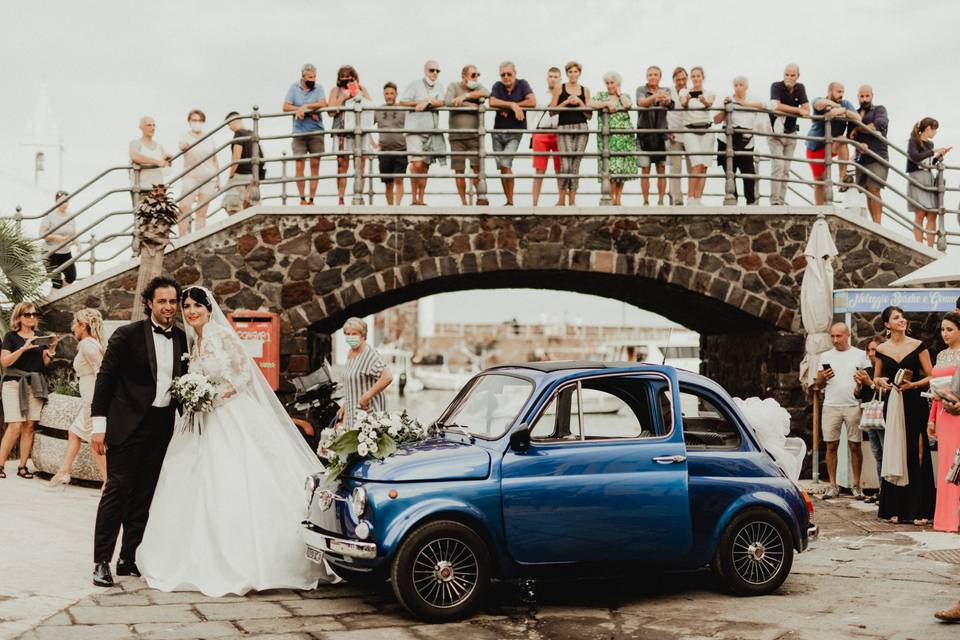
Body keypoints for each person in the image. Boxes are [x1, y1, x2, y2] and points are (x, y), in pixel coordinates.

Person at [136, 286, 331, 595]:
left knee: (235, 481)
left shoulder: (222, 336)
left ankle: (252, 560)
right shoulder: (194, 342)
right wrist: (194, 395)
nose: (191, 311)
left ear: (209, 309)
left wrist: (211, 397)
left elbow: (243, 377)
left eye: (196, 306)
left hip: (229, 416)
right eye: (186, 306)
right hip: (200, 421)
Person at [89, 277, 188, 587]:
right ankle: (101, 561)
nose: (169, 307)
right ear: (149, 303)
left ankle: (128, 557)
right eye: (163, 301)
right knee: (117, 491)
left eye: (173, 302)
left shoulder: (183, 339)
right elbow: (104, 381)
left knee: (145, 494)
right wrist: (98, 427)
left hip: (162, 426)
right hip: (126, 424)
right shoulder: (126, 335)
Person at [873, 305, 936, 526]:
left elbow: (931, 376)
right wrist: (880, 382)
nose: (902, 320)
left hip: (915, 402)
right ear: (887, 325)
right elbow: (876, 379)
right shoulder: (881, 349)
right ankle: (896, 508)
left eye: (903, 317)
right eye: (896, 318)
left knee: (917, 452)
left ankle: (920, 509)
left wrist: (914, 385)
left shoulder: (918, 346)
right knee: (895, 451)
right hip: (893, 403)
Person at [47, 309, 107, 486]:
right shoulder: (91, 343)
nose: (72, 327)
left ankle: (108, 483)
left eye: (75, 323)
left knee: (95, 443)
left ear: (83, 325)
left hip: (92, 400)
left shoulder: (88, 345)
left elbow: (101, 373)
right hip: (89, 398)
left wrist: (98, 403)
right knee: (74, 432)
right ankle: (64, 471)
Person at [0, 302, 57, 479]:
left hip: (35, 384)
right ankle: (0, 464)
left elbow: (44, 364)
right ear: (18, 317)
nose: (32, 317)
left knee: (29, 425)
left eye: (34, 314)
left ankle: (22, 466)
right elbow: (5, 362)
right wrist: (24, 348)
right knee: (15, 425)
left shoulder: (40, 336)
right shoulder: (11, 337)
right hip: (13, 384)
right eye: (27, 314)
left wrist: (52, 349)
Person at [815, 322, 871, 500]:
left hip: (853, 404)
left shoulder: (860, 355)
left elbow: (868, 379)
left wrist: (861, 381)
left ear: (848, 335)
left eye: (838, 336)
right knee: (831, 445)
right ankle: (833, 485)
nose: (835, 339)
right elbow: (818, 384)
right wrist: (822, 377)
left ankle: (856, 485)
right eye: (832, 336)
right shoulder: (825, 356)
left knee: (855, 445)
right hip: (831, 405)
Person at [927, 313, 960, 533]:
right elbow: (935, 387)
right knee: (945, 465)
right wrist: (931, 418)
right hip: (942, 413)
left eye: (949, 329)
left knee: (957, 463)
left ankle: (956, 517)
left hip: (957, 412)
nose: (945, 334)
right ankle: (944, 518)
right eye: (942, 330)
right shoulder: (940, 355)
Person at [488, 61, 535, 206]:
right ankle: (508, 200)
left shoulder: (522, 84)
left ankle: (511, 200)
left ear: (515, 73)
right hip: (497, 132)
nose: (506, 77)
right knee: (502, 167)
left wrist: (513, 106)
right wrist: (512, 105)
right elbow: (492, 101)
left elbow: (532, 101)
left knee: (505, 162)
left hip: (515, 131)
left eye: (509, 74)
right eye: (503, 74)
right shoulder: (497, 86)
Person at [805, 83, 861, 205]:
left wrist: (843, 110)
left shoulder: (845, 104)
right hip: (815, 148)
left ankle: (842, 179)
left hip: (831, 145)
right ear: (830, 92)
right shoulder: (819, 100)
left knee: (842, 139)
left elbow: (858, 117)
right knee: (820, 182)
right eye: (838, 92)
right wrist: (835, 107)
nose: (841, 95)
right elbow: (819, 105)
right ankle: (820, 209)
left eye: (843, 92)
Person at [714, 76, 766, 205]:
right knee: (730, 172)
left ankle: (751, 201)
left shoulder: (753, 100)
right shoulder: (728, 100)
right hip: (727, 140)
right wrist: (725, 108)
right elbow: (716, 120)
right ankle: (732, 198)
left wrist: (745, 104)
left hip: (746, 141)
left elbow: (764, 106)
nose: (738, 87)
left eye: (741, 85)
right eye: (736, 85)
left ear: (746, 87)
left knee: (749, 173)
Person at [400, 60, 445, 206]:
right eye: (432, 70)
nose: (435, 73)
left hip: (431, 131)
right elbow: (403, 102)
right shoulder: (415, 84)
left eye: (437, 71)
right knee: (417, 164)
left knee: (425, 166)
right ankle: (413, 198)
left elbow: (442, 102)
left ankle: (421, 199)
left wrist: (428, 102)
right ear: (425, 71)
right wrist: (419, 102)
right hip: (414, 130)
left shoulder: (439, 86)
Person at [589, 71, 637, 205]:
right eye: (607, 83)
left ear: (618, 83)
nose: (609, 85)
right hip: (608, 138)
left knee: (621, 170)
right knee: (610, 168)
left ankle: (618, 199)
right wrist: (606, 104)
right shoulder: (601, 96)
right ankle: (610, 198)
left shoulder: (624, 95)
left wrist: (619, 93)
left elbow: (628, 105)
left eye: (612, 83)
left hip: (624, 137)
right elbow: (590, 103)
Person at [328, 65, 374, 206]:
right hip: (341, 130)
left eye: (349, 77)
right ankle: (341, 198)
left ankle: (358, 196)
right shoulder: (335, 91)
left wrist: (359, 92)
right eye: (343, 78)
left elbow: (370, 107)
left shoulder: (362, 88)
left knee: (360, 164)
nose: (346, 80)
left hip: (359, 130)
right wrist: (343, 98)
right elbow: (330, 112)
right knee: (342, 166)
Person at [282, 63, 327, 206]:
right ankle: (302, 198)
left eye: (314, 77)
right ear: (302, 77)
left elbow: (323, 103)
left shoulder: (318, 88)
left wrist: (306, 108)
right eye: (310, 77)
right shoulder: (294, 88)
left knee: (315, 165)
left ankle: (312, 199)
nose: (312, 79)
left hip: (316, 131)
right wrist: (299, 109)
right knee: (299, 164)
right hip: (299, 132)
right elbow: (285, 106)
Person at [338, 317, 393, 429]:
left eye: (354, 334)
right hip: (351, 412)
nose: (350, 337)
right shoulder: (350, 353)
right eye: (347, 334)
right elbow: (353, 384)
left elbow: (387, 377)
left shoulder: (369, 354)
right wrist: (345, 405)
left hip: (367, 414)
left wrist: (367, 397)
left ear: (363, 335)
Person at [445, 64, 489, 205]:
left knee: (477, 169)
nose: (476, 77)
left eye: (477, 75)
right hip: (456, 137)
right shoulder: (453, 86)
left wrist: (466, 96)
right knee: (459, 171)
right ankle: (464, 202)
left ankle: (480, 198)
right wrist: (470, 105)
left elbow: (487, 93)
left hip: (474, 136)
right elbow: (448, 102)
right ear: (464, 76)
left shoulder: (477, 87)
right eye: (473, 75)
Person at [550, 61, 591, 206]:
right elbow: (552, 111)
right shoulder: (559, 88)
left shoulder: (585, 90)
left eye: (576, 71)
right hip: (564, 127)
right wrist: (566, 103)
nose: (573, 74)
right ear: (567, 73)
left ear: (579, 73)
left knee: (575, 166)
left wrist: (580, 102)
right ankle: (561, 198)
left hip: (581, 127)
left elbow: (589, 115)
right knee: (565, 165)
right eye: (570, 72)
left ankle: (572, 200)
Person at [768, 64, 810, 205]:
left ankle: (781, 200)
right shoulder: (776, 86)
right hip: (775, 133)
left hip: (791, 133)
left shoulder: (800, 88)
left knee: (786, 169)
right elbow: (776, 105)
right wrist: (797, 110)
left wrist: (799, 110)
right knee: (778, 166)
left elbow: (807, 109)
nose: (789, 78)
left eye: (792, 75)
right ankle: (774, 201)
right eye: (786, 74)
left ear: (798, 76)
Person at [907, 117, 952, 246]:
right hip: (917, 177)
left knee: (932, 214)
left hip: (928, 176)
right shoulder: (913, 141)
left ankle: (930, 248)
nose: (935, 133)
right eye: (934, 130)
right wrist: (933, 152)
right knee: (920, 213)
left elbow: (928, 162)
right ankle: (919, 246)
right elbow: (915, 157)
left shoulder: (930, 144)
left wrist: (937, 157)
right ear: (928, 129)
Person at [848, 86, 889, 224]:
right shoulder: (854, 112)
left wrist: (858, 128)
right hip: (861, 157)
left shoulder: (879, 109)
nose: (864, 99)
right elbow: (850, 136)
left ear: (872, 96)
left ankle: (878, 224)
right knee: (867, 191)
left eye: (867, 96)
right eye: (862, 96)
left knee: (874, 188)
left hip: (878, 155)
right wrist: (857, 144)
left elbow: (878, 124)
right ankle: (874, 224)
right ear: (858, 96)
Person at [177, 110, 220, 236]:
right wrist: (183, 146)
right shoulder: (185, 136)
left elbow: (214, 159)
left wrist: (218, 178)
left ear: (203, 122)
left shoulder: (209, 137)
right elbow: (181, 145)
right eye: (194, 120)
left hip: (208, 178)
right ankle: (182, 238)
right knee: (184, 207)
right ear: (189, 122)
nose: (197, 123)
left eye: (200, 120)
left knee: (202, 212)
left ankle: (198, 237)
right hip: (191, 177)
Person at [854, 336, 885, 504]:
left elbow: (885, 391)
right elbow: (858, 395)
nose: (872, 353)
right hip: (869, 416)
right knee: (877, 454)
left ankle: (887, 492)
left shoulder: (886, 369)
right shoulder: (867, 369)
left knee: (886, 453)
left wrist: (870, 382)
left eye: (875, 350)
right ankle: (882, 490)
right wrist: (859, 384)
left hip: (882, 416)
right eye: (869, 350)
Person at [679, 67, 715, 206]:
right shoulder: (684, 91)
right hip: (690, 130)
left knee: (704, 165)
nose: (696, 78)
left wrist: (704, 101)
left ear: (702, 77)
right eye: (693, 76)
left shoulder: (709, 92)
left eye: (698, 76)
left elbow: (709, 104)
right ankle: (690, 198)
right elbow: (682, 103)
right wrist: (688, 99)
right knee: (697, 163)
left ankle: (698, 198)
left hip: (706, 130)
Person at [635, 66, 672, 206]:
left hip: (661, 135)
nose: (652, 77)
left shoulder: (666, 90)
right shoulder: (640, 90)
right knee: (645, 169)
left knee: (661, 169)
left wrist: (665, 99)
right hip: (644, 134)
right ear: (646, 76)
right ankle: (645, 201)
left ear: (660, 77)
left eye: (655, 74)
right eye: (650, 74)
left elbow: (669, 103)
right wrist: (656, 96)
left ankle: (661, 201)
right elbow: (642, 103)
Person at [532, 67, 562, 206]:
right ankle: (534, 203)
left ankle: (561, 200)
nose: (553, 79)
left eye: (556, 77)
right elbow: (532, 114)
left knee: (560, 169)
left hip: (558, 133)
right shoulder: (540, 95)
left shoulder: (563, 94)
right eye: (551, 76)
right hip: (541, 132)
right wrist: (533, 131)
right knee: (539, 169)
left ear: (560, 79)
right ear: (547, 78)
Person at [222, 112, 262, 214]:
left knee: (232, 206)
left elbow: (236, 158)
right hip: (252, 175)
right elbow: (261, 156)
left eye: (229, 124)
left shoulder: (238, 134)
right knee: (251, 205)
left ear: (233, 121)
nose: (229, 127)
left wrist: (230, 176)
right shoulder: (252, 133)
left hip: (240, 175)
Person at [374, 82, 406, 206]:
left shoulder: (403, 110)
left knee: (399, 180)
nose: (389, 96)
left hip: (401, 149)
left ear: (396, 94)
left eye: (392, 93)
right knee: (388, 183)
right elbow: (364, 125)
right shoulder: (378, 110)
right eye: (387, 93)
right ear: (383, 95)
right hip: (384, 150)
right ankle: (390, 208)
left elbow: (411, 126)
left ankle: (397, 207)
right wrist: (373, 144)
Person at [129, 117, 172, 204]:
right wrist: (157, 162)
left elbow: (166, 168)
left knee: (160, 217)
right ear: (141, 127)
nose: (152, 128)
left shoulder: (159, 147)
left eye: (153, 125)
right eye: (149, 125)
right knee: (142, 217)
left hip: (158, 190)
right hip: (142, 190)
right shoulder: (136, 143)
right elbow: (134, 156)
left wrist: (168, 161)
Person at [39, 191, 77, 288]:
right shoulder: (50, 215)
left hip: (65, 252)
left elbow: (73, 233)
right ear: (56, 202)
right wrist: (56, 237)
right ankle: (57, 295)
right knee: (56, 282)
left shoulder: (70, 216)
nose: (64, 204)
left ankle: (60, 294)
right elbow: (41, 234)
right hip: (51, 253)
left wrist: (77, 243)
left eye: (66, 201)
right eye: (61, 201)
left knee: (71, 276)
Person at [666, 67, 690, 206]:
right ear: (674, 80)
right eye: (678, 79)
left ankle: (693, 198)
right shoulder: (668, 91)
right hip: (674, 134)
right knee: (675, 169)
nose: (681, 82)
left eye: (683, 79)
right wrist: (667, 131)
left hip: (690, 134)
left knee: (692, 168)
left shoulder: (692, 92)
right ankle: (677, 199)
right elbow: (663, 112)